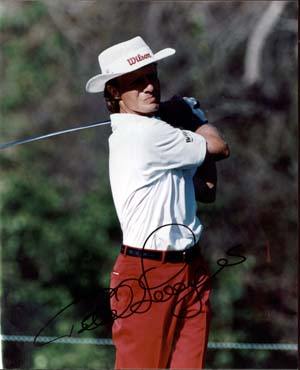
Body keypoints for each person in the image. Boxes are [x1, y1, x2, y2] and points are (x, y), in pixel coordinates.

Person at [86, 36, 229, 369]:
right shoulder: (148, 135)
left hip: (190, 267)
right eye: (137, 81)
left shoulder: (160, 132)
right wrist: (195, 117)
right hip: (148, 273)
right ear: (114, 93)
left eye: (152, 76)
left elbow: (206, 189)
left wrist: (186, 125)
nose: (150, 87)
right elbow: (220, 148)